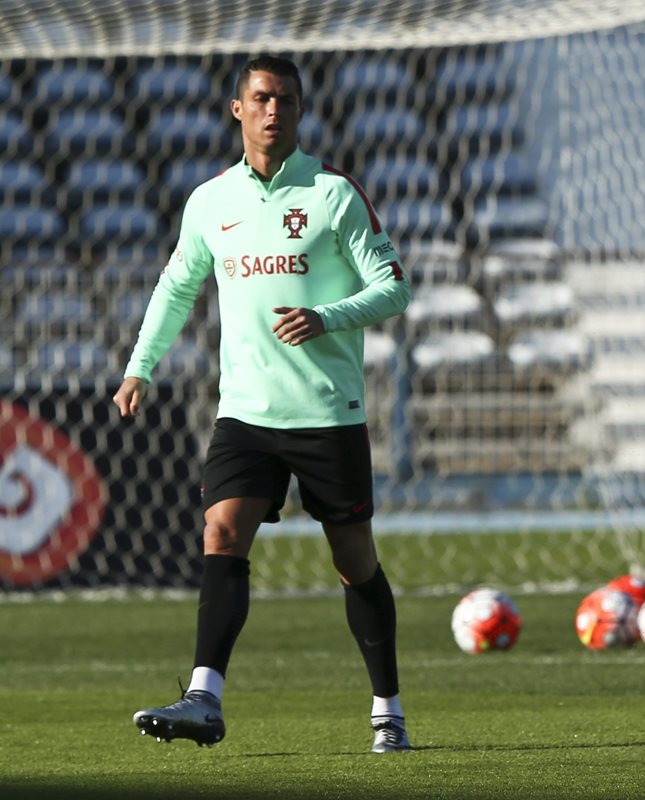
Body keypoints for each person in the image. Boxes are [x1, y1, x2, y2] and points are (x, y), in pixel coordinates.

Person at [113, 55, 413, 754]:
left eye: (285, 100)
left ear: (300, 112)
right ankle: (204, 699)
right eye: (262, 98)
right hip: (244, 413)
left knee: (354, 562)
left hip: (326, 412)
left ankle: (387, 708)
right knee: (220, 531)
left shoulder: (335, 194)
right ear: (237, 109)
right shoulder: (210, 201)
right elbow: (177, 288)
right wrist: (139, 369)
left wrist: (329, 316)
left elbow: (394, 286)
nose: (274, 109)